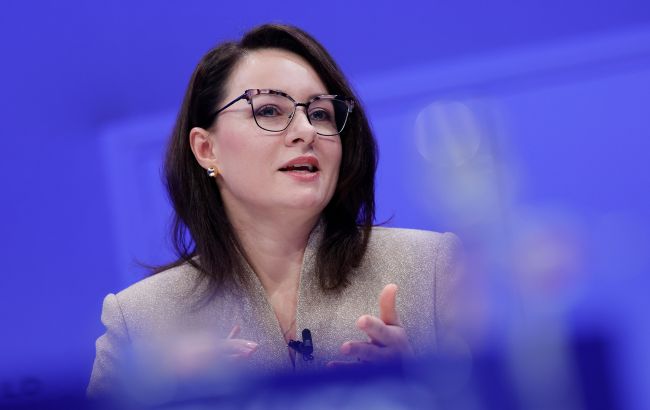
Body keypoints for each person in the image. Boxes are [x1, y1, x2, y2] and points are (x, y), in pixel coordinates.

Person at [87, 23, 461, 400]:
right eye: (268, 110)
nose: (306, 131)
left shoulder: (432, 269)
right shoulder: (139, 321)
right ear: (206, 149)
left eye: (321, 114)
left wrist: (426, 387)